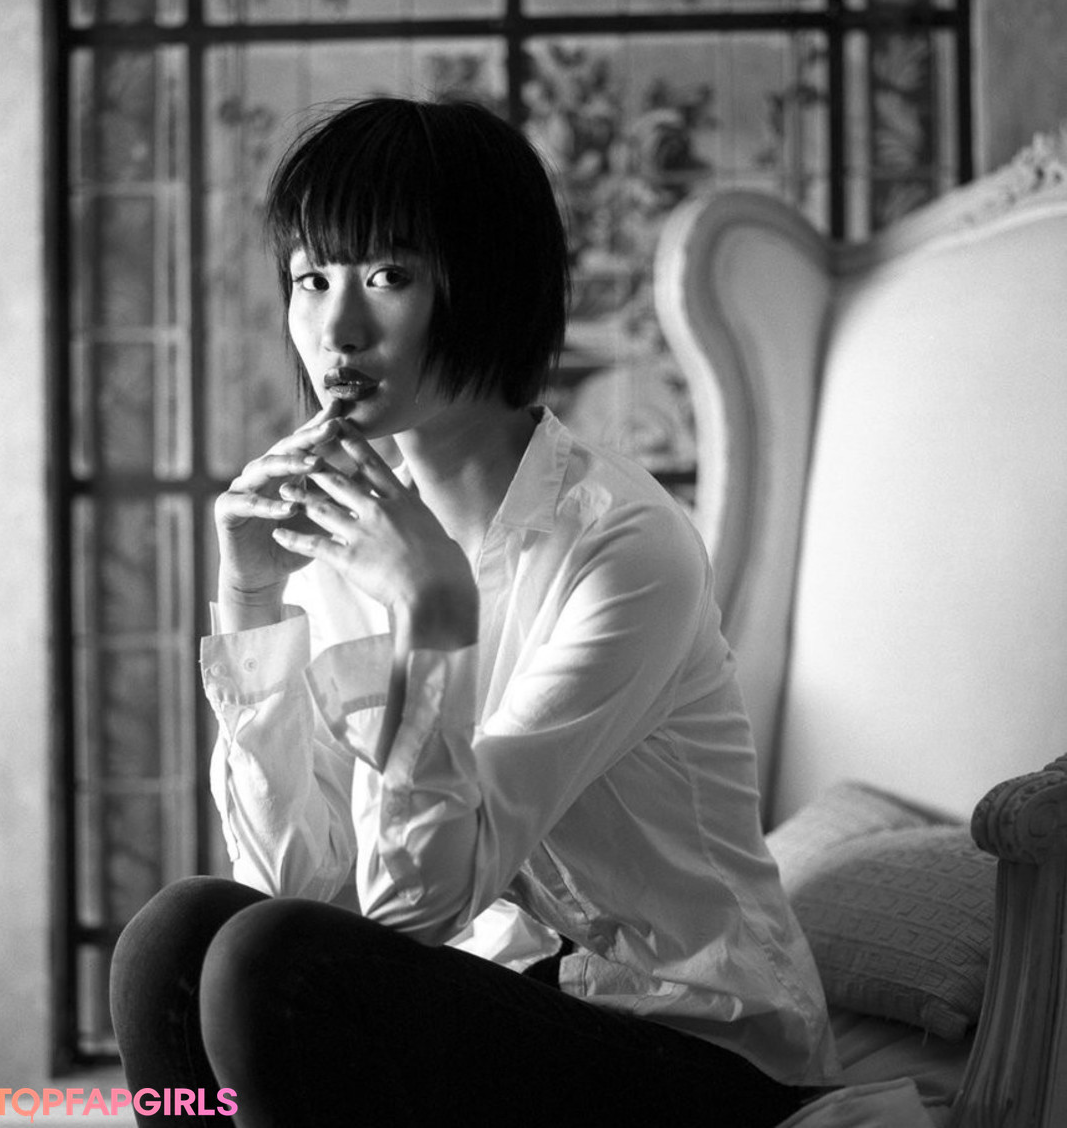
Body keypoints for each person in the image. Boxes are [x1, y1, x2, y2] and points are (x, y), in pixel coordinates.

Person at [110, 97, 839, 1126]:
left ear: (485, 283)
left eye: (387, 276)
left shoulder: (624, 545)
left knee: (271, 963)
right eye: (312, 279)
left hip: (696, 1049)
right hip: (497, 1003)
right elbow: (293, 883)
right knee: (177, 936)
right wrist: (252, 596)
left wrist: (433, 618)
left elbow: (414, 908)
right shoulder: (339, 553)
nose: (338, 328)